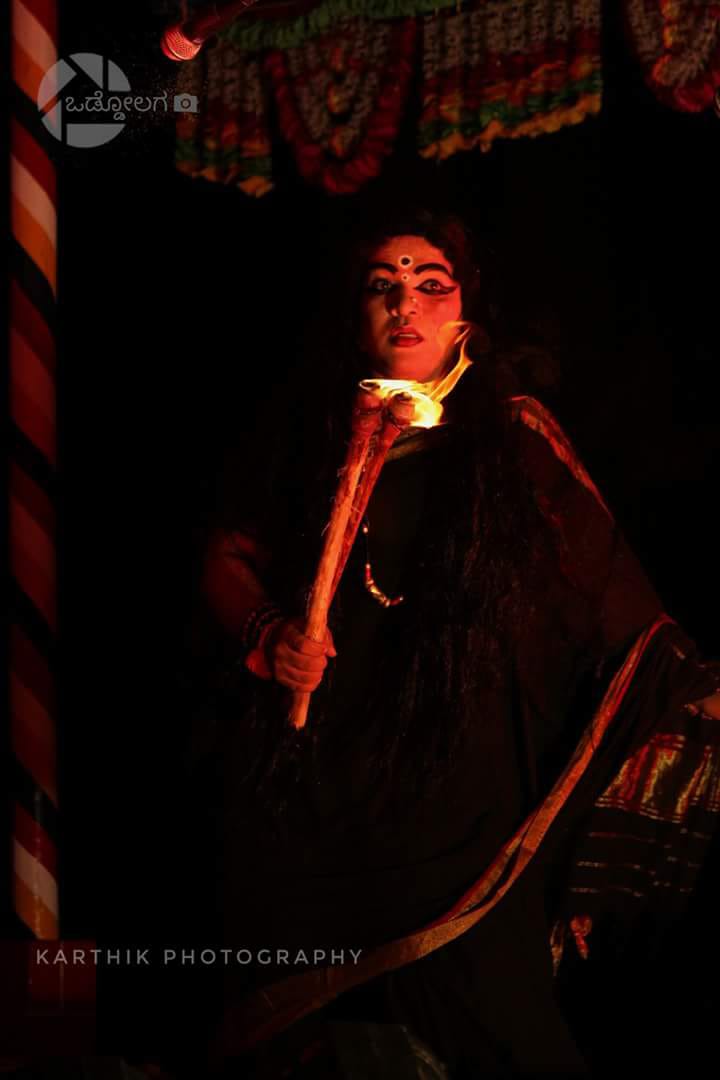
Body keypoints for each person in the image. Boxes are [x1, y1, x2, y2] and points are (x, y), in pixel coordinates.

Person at [186, 207, 720, 1078]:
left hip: (461, 802)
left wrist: (690, 697)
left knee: (498, 1029)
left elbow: (617, 606)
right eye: (383, 288)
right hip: (316, 787)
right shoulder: (311, 434)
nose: (406, 305)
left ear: (467, 313)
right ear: (356, 315)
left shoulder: (516, 437)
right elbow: (226, 556)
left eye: (431, 286)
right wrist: (267, 632)